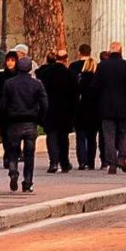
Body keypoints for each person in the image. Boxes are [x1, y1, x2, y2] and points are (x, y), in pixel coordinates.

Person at [0, 54, 47, 192]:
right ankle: (28, 181)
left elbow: (4, 104)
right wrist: (41, 118)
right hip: (30, 121)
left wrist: (4, 119)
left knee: (13, 150)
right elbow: (44, 103)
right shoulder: (37, 84)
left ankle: (13, 170)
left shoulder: (9, 83)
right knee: (29, 153)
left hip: (13, 122)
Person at [90, 43, 126, 173]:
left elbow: (95, 86)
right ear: (121, 51)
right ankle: (122, 158)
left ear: (109, 52)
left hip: (106, 106)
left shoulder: (102, 67)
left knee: (108, 135)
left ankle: (111, 162)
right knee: (125, 133)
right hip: (124, 106)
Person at [40, 44, 78, 174]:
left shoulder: (45, 74)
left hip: (49, 108)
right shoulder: (69, 74)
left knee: (51, 136)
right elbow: (75, 95)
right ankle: (64, 162)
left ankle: (53, 162)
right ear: (66, 59)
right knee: (63, 137)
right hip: (64, 110)